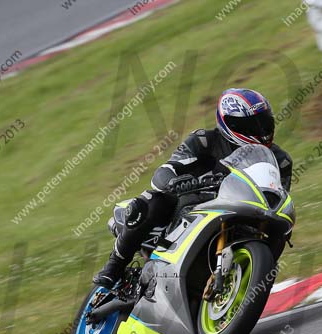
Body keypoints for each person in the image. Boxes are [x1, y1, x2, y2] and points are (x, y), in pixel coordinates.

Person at [93, 88, 293, 287]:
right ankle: (114, 267)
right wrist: (175, 182)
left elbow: (277, 195)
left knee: (280, 227)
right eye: (250, 125)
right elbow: (167, 170)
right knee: (151, 201)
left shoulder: (281, 160)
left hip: (245, 208)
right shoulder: (204, 141)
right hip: (194, 203)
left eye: (264, 123)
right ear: (230, 124)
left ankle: (250, 279)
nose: (260, 131)